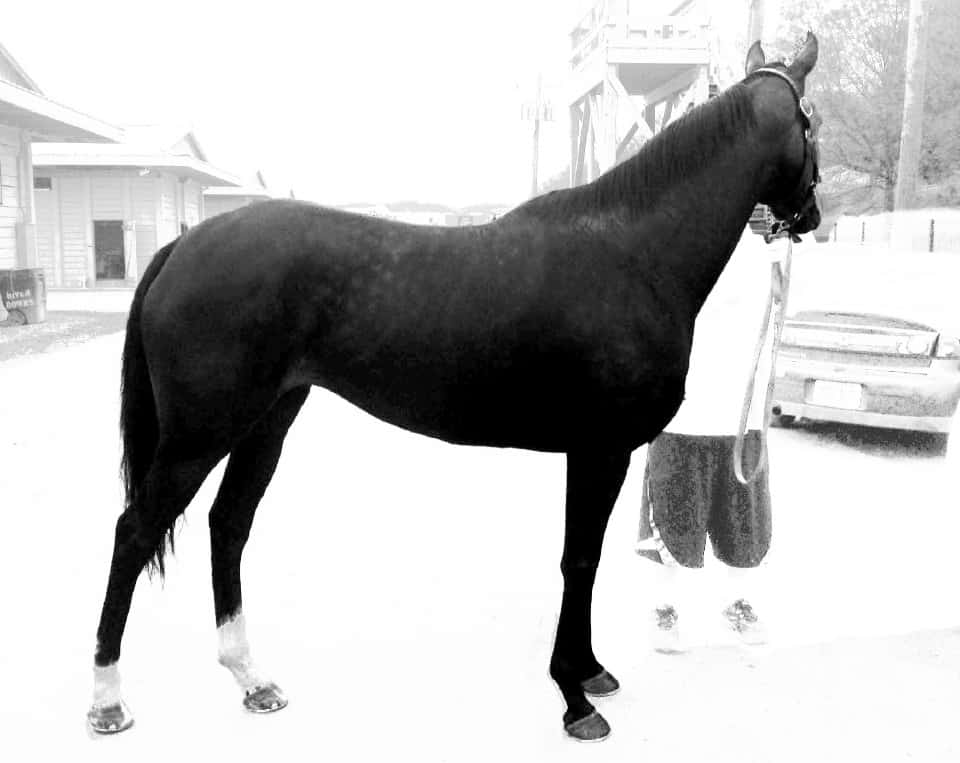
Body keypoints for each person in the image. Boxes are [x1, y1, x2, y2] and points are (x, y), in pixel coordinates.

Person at [636, 224, 808, 652]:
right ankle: (664, 609)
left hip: (742, 416)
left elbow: (787, 305)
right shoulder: (681, 237)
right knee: (675, 517)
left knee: (743, 521)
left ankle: (737, 604)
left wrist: (777, 253)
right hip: (683, 415)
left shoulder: (771, 241)